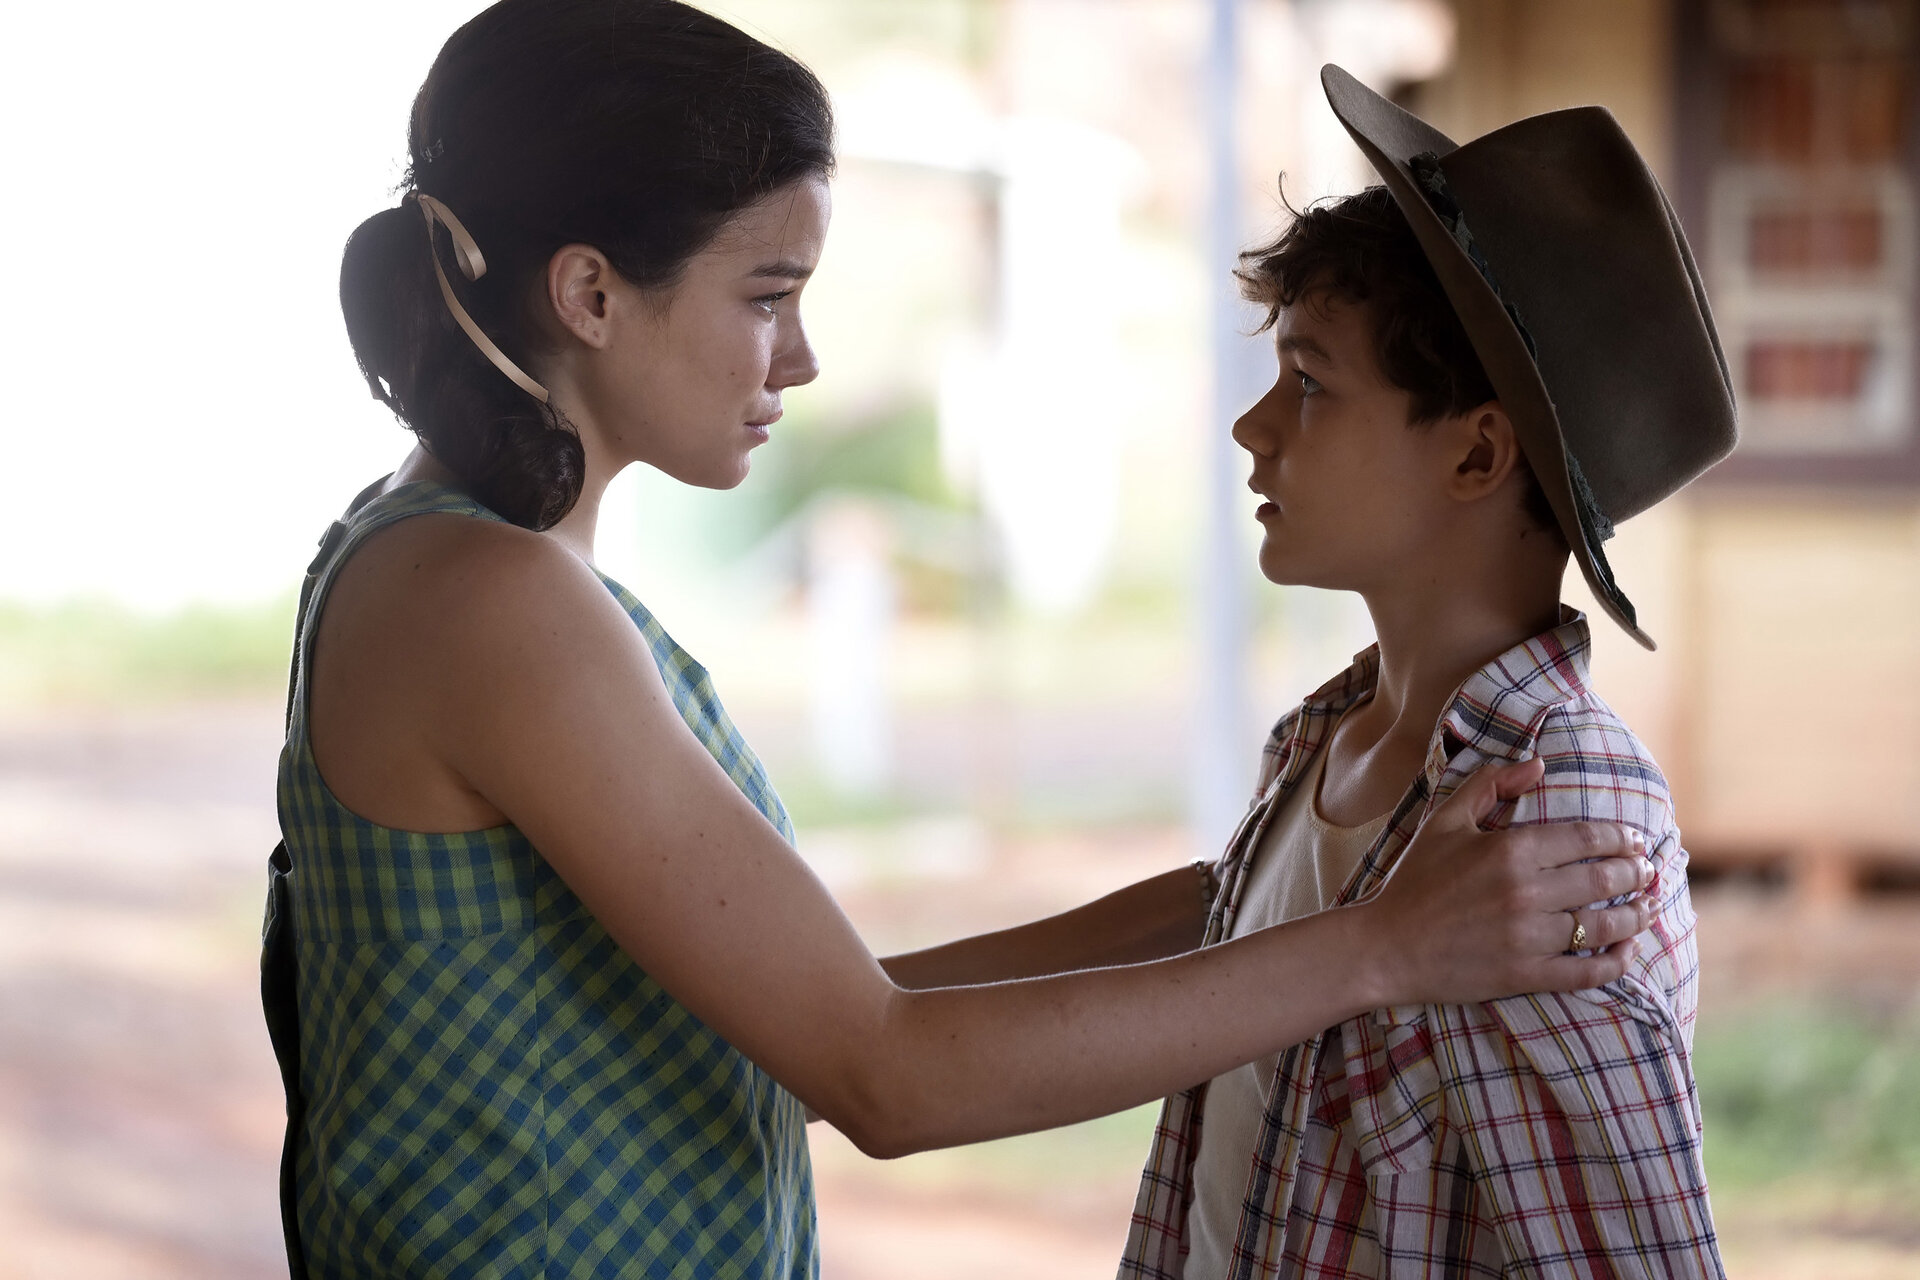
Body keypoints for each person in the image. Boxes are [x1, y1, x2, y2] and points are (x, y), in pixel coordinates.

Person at [267, 6, 1660, 1277]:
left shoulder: (476, 567)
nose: (801, 357)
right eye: (767, 295)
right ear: (589, 295)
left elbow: (830, 1011)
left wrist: (1304, 900)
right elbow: (883, 1071)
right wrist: (1380, 948)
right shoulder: (492, 600)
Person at [1119, 66, 1733, 1279]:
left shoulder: (1547, 826)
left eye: (1310, 382)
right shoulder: (1331, 735)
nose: (1252, 427)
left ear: (1476, 456)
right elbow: (1227, 934)